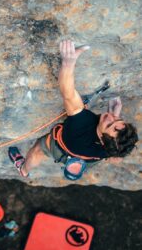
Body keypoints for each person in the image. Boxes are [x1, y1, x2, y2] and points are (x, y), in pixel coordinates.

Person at [9, 40, 138, 180]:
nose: (110, 117)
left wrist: (68, 63)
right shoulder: (114, 148)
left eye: (109, 124)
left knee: (38, 151)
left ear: (102, 140)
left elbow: (68, 93)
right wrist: (114, 116)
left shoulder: (82, 124)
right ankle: (79, 162)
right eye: (118, 120)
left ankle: (23, 169)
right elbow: (116, 155)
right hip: (90, 160)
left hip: (60, 146)